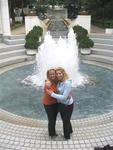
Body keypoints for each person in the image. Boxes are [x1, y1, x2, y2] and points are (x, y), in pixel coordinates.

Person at [46, 67, 74, 140]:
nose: (58, 75)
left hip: (67, 105)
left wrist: (52, 94)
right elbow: (49, 79)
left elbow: (64, 97)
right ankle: (70, 130)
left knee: (65, 121)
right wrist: (47, 80)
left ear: (63, 73)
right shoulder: (59, 81)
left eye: (60, 73)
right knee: (66, 119)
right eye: (57, 74)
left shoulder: (67, 83)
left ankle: (66, 136)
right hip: (61, 104)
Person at [42, 69, 58, 138]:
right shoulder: (48, 83)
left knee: (54, 119)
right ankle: (52, 134)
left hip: (55, 103)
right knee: (51, 119)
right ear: (48, 75)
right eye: (50, 74)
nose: (52, 75)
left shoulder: (55, 81)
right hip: (48, 104)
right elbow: (51, 94)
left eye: (53, 74)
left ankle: (52, 132)